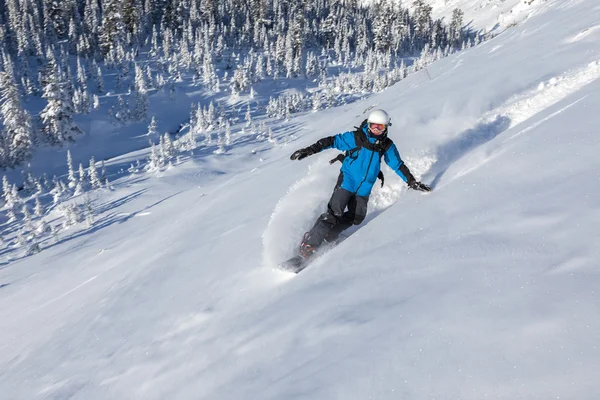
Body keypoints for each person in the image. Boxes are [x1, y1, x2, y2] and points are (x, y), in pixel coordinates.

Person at [289, 109, 431, 261]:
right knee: (334, 214)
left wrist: (412, 182)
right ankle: (308, 248)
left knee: (356, 218)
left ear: (386, 128)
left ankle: (327, 237)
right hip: (347, 180)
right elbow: (332, 141)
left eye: (380, 127)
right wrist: (309, 150)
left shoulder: (387, 146)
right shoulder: (356, 138)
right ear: (368, 125)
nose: (376, 130)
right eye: (373, 126)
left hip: (365, 187)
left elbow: (398, 165)